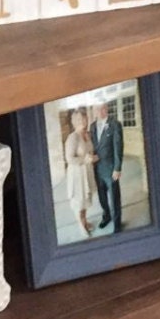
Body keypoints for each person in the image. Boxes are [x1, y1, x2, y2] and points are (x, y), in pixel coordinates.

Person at [91, 102, 124, 233]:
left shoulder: (115, 124)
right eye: (97, 108)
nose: (100, 111)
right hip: (97, 168)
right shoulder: (92, 126)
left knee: (114, 197)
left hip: (111, 168)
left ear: (107, 108)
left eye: (103, 107)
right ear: (94, 111)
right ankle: (107, 216)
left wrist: (117, 168)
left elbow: (118, 147)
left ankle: (117, 223)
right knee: (101, 196)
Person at [62, 108, 96, 237]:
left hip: (86, 172)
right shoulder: (73, 137)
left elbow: (90, 151)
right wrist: (86, 159)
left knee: (85, 200)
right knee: (78, 202)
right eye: (78, 119)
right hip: (77, 175)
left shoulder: (86, 134)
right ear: (73, 122)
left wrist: (92, 157)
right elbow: (69, 158)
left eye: (84, 118)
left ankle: (85, 221)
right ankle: (81, 226)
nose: (82, 121)